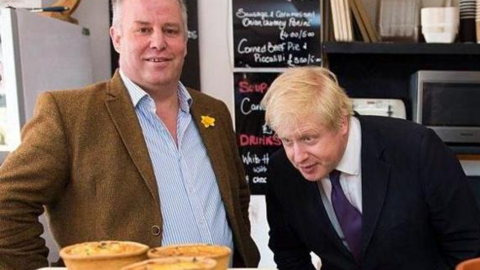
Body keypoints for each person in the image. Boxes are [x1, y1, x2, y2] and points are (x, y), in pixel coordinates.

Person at [0, 0, 260, 269]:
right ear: (117, 38)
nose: (158, 42)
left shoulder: (214, 112)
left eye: (170, 30)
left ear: (185, 39)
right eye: (143, 30)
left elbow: (237, 198)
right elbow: (6, 200)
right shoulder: (69, 114)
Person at [261, 66, 480, 270]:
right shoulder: (282, 170)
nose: (298, 157)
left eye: (308, 138)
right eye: (287, 141)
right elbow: (288, 252)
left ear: (342, 123)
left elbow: (466, 247)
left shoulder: (417, 149)